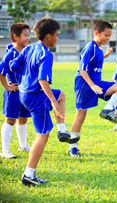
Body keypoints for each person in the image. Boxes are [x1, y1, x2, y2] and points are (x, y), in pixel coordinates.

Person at [10, 17, 74, 186]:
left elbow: (14, 66)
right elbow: (42, 81)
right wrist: (52, 102)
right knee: (42, 136)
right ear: (48, 37)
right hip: (36, 96)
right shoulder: (46, 54)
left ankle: (61, 130)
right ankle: (28, 174)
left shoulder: (28, 48)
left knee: (61, 95)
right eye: (57, 35)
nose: (57, 38)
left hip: (24, 93)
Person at [69, 20, 117, 157]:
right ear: (97, 33)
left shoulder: (99, 48)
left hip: (97, 82)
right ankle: (73, 147)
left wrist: (105, 55)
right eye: (106, 35)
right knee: (81, 115)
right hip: (85, 84)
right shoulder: (90, 47)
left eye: (109, 35)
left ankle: (107, 110)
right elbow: (82, 70)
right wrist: (91, 85)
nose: (108, 38)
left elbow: (96, 59)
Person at [0, 23, 31, 159]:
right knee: (10, 119)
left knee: (23, 119)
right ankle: (4, 150)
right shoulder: (11, 54)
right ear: (15, 37)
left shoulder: (26, 51)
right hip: (14, 91)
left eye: (28, 36)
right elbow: (1, 72)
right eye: (25, 36)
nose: (28, 38)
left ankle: (22, 145)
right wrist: (7, 86)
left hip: (25, 91)